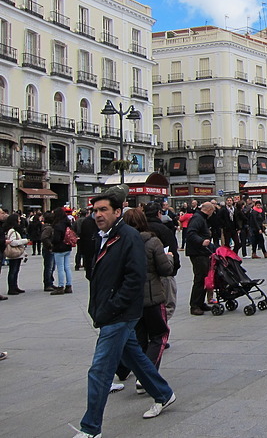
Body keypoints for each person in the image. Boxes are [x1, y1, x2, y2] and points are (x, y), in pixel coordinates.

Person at [73, 185, 176, 438]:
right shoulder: (102, 236)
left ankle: (90, 428)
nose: (98, 215)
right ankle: (164, 393)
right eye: (95, 210)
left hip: (120, 313)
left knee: (100, 370)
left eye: (104, 210)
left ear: (118, 212)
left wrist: (113, 305)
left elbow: (135, 277)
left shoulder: (128, 236)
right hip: (109, 310)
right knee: (134, 357)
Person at [121, 208, 173, 392]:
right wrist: (170, 259)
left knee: (140, 338)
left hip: (131, 299)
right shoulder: (152, 242)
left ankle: (140, 375)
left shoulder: (120, 242)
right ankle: (147, 377)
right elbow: (165, 269)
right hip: (152, 297)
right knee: (159, 335)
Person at [144, 202, 180, 321]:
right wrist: (174, 266)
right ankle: (160, 334)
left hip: (145, 273)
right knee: (167, 306)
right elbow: (172, 248)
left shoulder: (140, 229)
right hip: (163, 270)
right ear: (159, 213)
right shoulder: (163, 229)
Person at [185, 201, 215, 315]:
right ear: (209, 210)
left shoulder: (200, 217)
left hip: (201, 252)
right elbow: (191, 233)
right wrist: (202, 241)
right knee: (200, 278)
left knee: (203, 278)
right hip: (197, 252)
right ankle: (195, 305)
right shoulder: (197, 218)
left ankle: (200, 303)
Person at [50, 207, 74, 295]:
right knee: (67, 267)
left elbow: (56, 239)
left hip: (59, 248)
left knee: (60, 268)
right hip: (67, 246)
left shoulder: (57, 225)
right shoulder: (67, 223)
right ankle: (69, 285)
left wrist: (52, 242)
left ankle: (60, 286)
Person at [3, 213, 28, 295]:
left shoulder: (14, 230)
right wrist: (25, 241)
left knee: (15, 270)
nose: (20, 220)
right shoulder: (12, 230)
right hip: (14, 253)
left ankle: (15, 286)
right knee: (13, 270)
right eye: (18, 219)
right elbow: (13, 242)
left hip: (17, 254)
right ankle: (11, 288)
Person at [41, 212, 55, 291]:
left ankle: (50, 282)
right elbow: (44, 237)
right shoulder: (48, 228)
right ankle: (48, 283)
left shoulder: (48, 227)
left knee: (51, 267)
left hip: (49, 249)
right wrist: (50, 245)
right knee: (49, 267)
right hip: (48, 249)